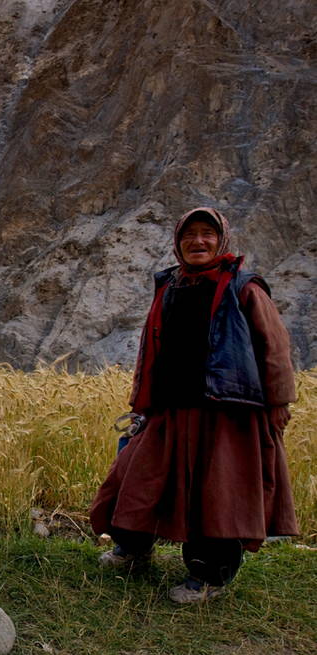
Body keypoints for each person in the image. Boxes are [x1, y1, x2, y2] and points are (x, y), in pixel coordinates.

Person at [89, 206, 297, 603]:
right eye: (190, 235)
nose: (198, 242)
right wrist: (140, 402)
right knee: (136, 479)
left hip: (226, 414)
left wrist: (278, 403)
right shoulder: (171, 286)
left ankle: (209, 576)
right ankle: (133, 549)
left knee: (217, 495)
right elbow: (151, 348)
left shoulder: (244, 288)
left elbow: (275, 349)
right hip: (168, 408)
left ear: (222, 240)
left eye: (208, 234)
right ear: (178, 242)